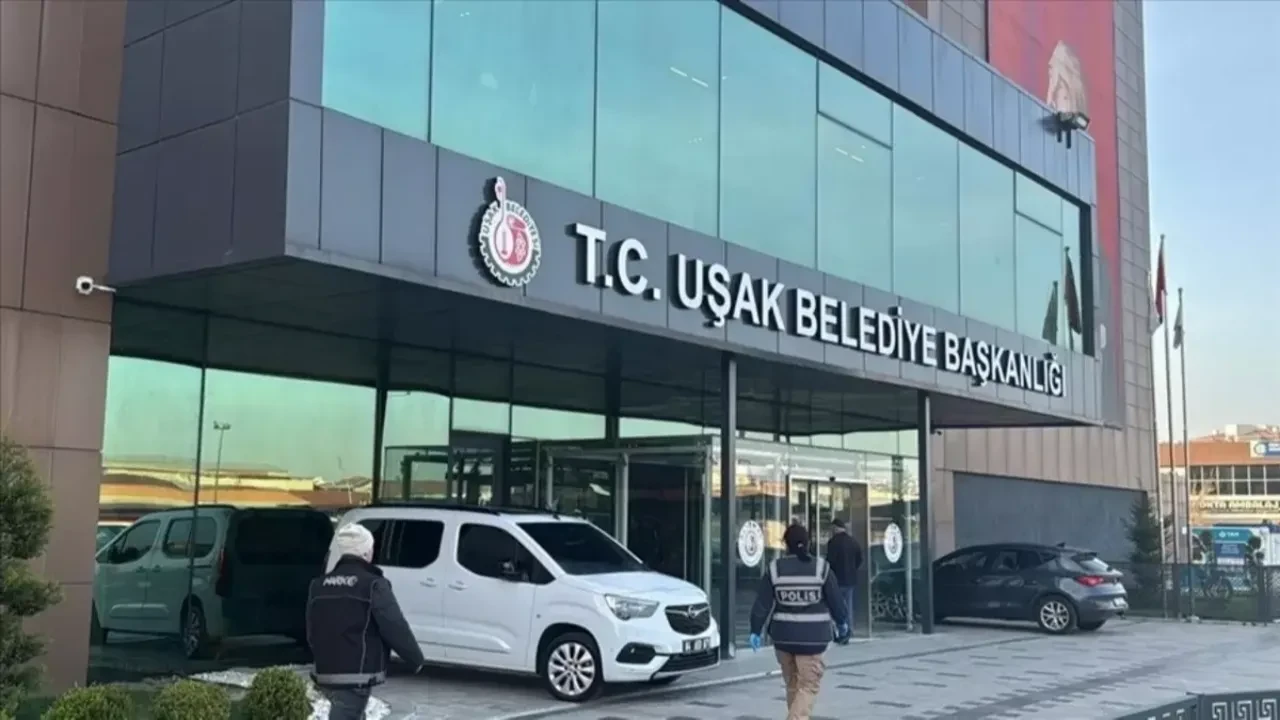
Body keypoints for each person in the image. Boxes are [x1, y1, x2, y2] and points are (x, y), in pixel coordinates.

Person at [307, 523, 426, 720]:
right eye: (371, 548)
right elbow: (394, 625)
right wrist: (415, 659)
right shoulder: (373, 585)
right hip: (356, 673)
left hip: (325, 671)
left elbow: (312, 630)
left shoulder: (318, 585)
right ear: (365, 552)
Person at [748, 524, 850, 720]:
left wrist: (755, 630)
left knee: (793, 686)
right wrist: (842, 623)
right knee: (809, 686)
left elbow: (762, 603)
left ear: (785, 544)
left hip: (783, 639)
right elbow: (836, 601)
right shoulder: (821, 568)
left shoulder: (775, 569)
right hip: (813, 640)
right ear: (808, 543)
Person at [825, 518, 864, 636]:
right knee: (848, 605)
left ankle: (839, 629)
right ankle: (849, 628)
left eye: (832, 528)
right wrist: (853, 569)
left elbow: (830, 561)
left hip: (836, 579)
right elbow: (859, 559)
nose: (831, 531)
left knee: (835, 605)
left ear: (835, 528)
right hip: (850, 579)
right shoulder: (853, 541)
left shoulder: (833, 542)